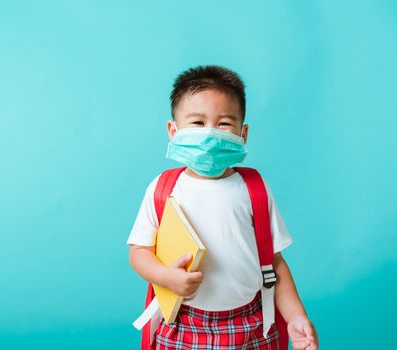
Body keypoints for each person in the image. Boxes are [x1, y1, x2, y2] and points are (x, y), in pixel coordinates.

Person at [127, 65, 318, 349]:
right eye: (198, 123)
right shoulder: (162, 189)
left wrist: (295, 316)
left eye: (224, 124)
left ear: (243, 133)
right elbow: (139, 252)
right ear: (173, 130)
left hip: (250, 323)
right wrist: (164, 276)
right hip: (183, 323)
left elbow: (274, 264)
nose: (211, 135)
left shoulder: (254, 188)